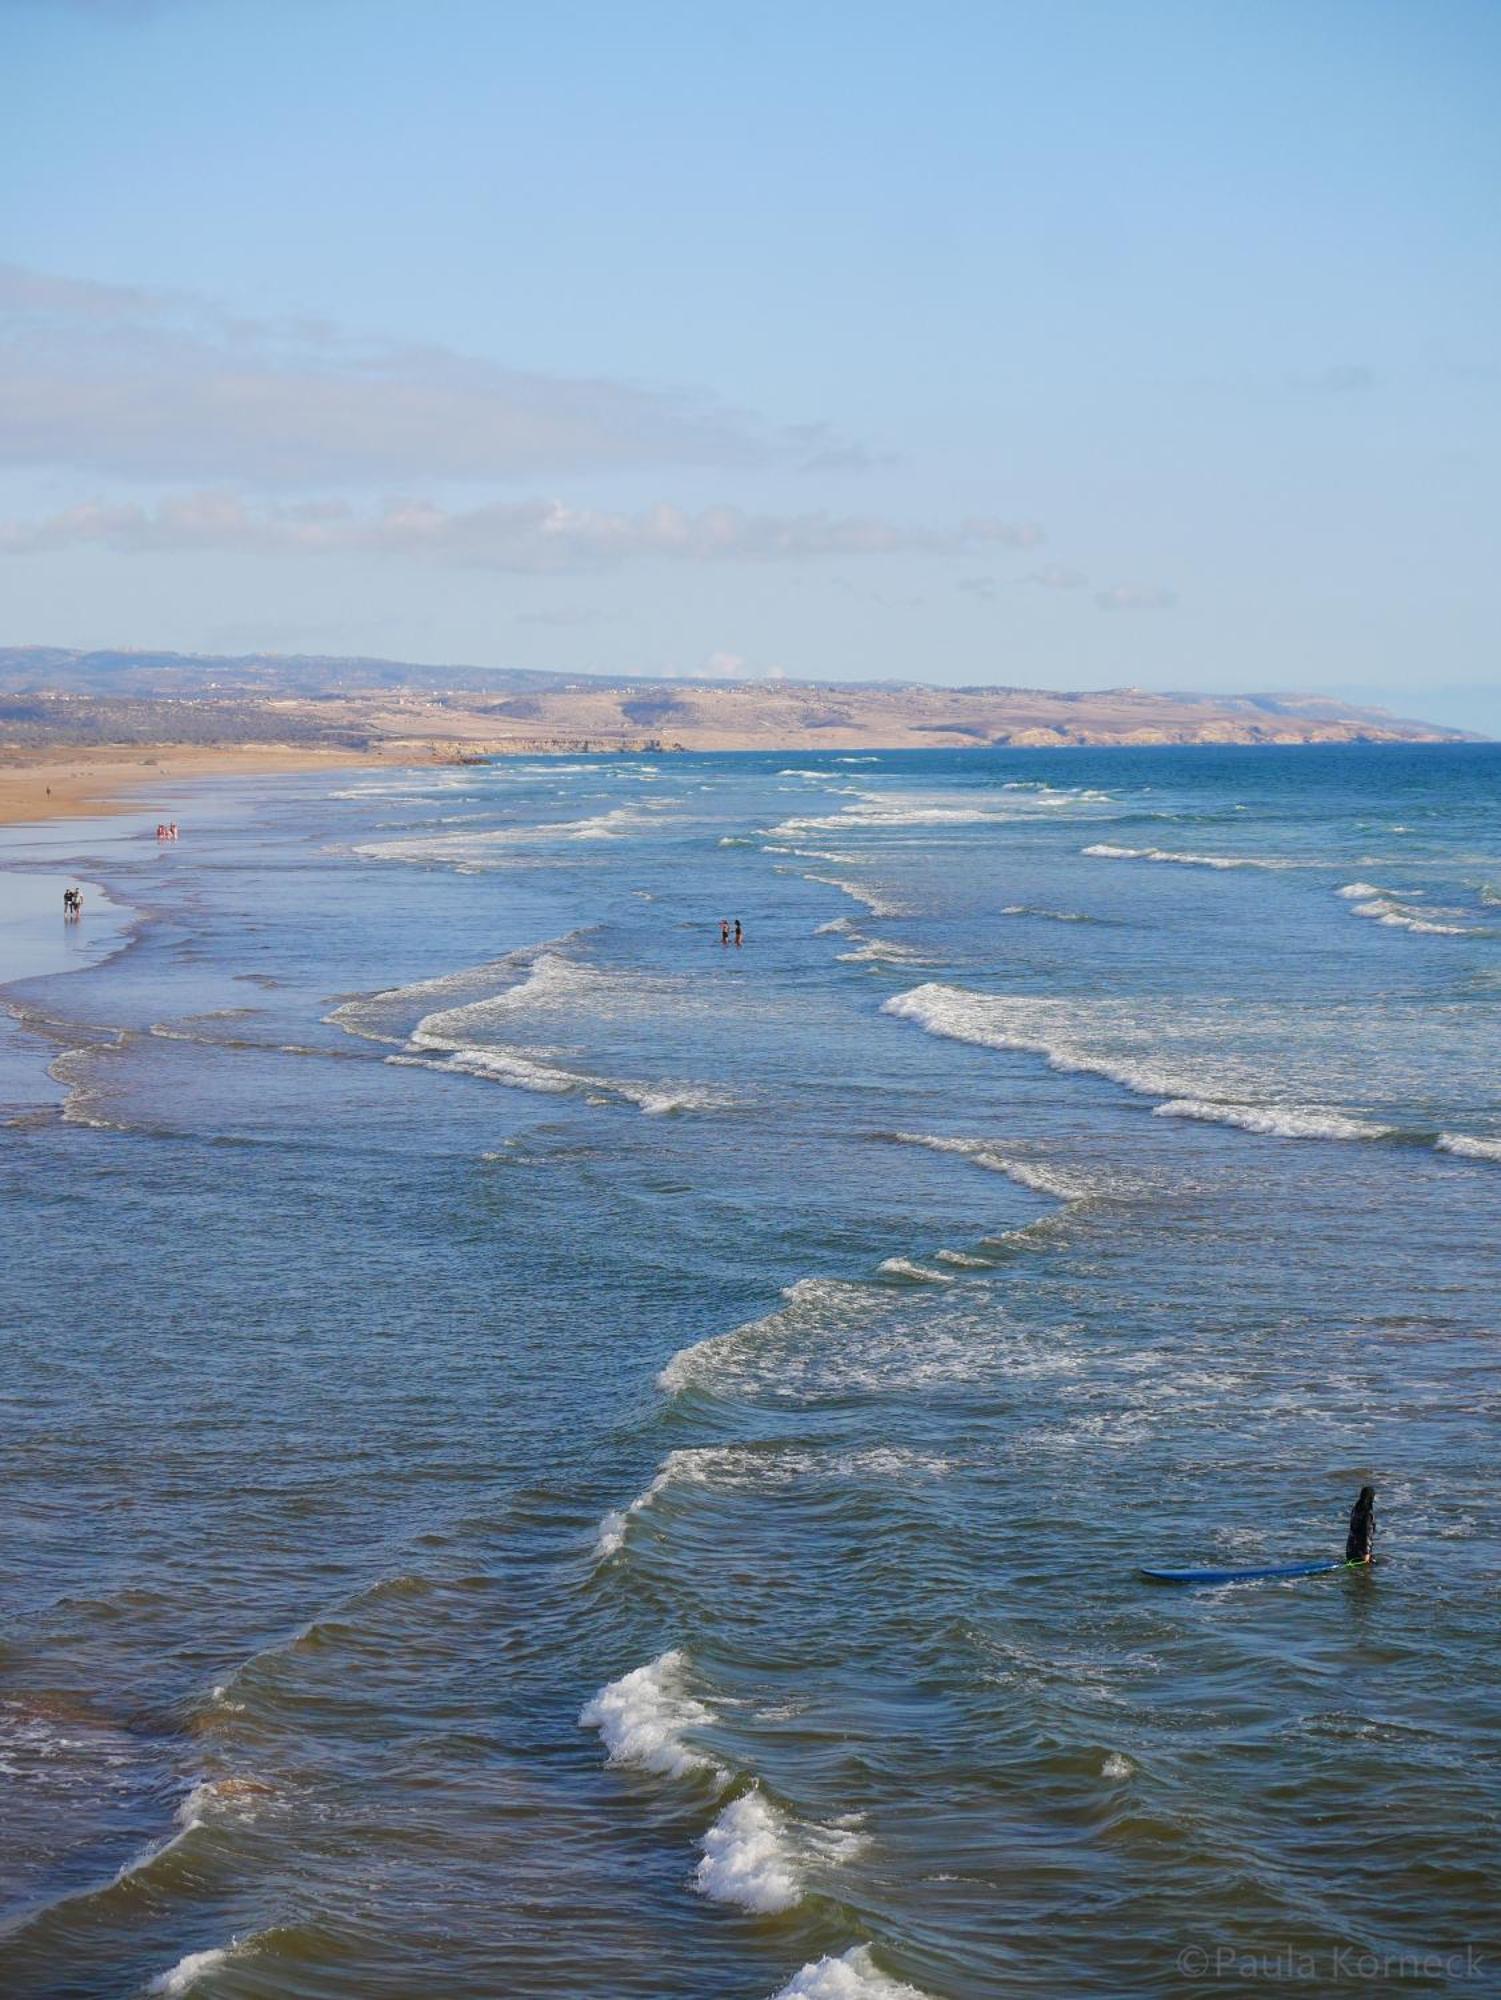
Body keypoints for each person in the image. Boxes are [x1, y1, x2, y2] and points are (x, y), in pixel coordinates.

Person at [1345, 1485, 1376, 1564]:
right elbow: (1367, 1533)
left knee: (1354, 1573)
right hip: (1361, 1550)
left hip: (1350, 1547)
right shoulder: (1368, 1513)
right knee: (1366, 1573)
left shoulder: (1356, 1509)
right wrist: (1366, 1552)